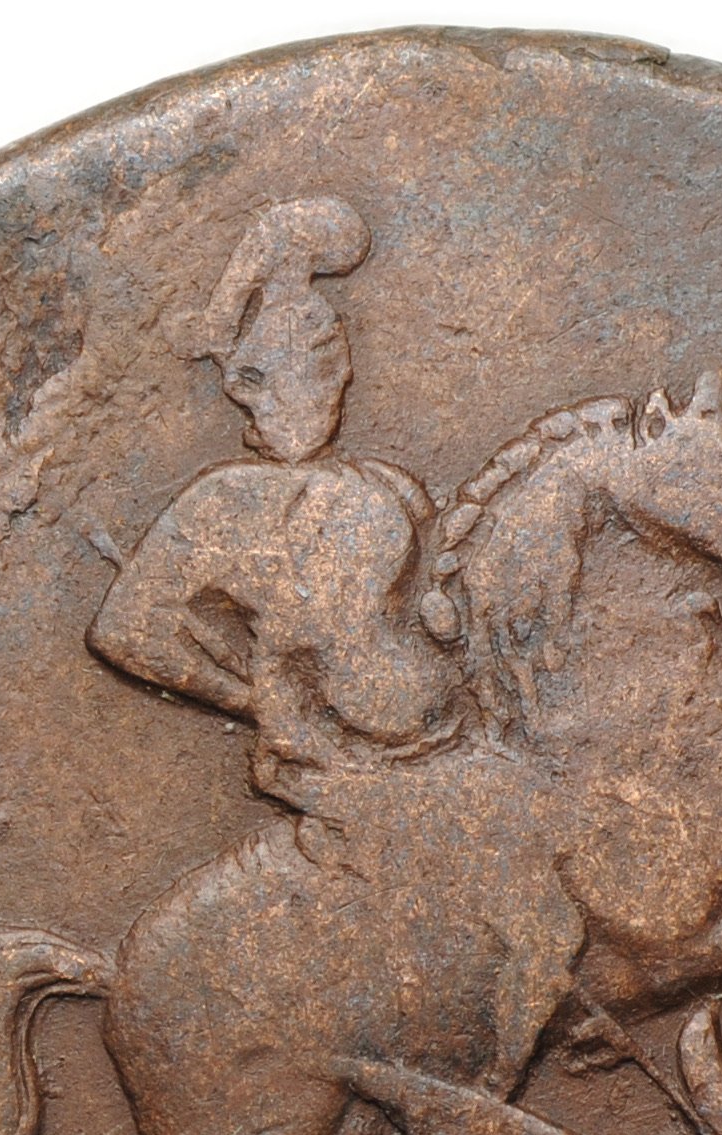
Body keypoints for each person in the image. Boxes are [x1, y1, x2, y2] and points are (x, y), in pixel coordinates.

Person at [87, 196, 460, 808]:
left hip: (445, 752)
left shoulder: (390, 484)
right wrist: (262, 702)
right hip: (324, 781)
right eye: (312, 361)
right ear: (249, 383)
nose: (334, 377)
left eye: (333, 358)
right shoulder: (224, 500)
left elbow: (435, 612)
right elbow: (126, 630)